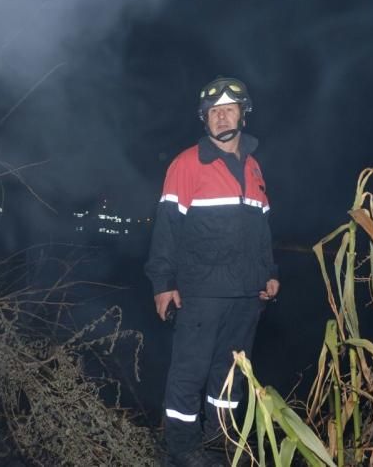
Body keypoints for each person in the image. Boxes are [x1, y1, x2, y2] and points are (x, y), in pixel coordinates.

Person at [145, 76, 279, 467]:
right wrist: (162, 283)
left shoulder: (253, 166)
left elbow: (262, 227)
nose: (221, 117)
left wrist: (270, 272)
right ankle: (182, 451)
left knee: (230, 378)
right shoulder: (187, 163)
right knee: (188, 374)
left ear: (244, 114)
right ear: (204, 119)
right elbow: (166, 228)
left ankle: (218, 446)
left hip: (246, 295)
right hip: (200, 291)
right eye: (213, 112)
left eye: (228, 109)